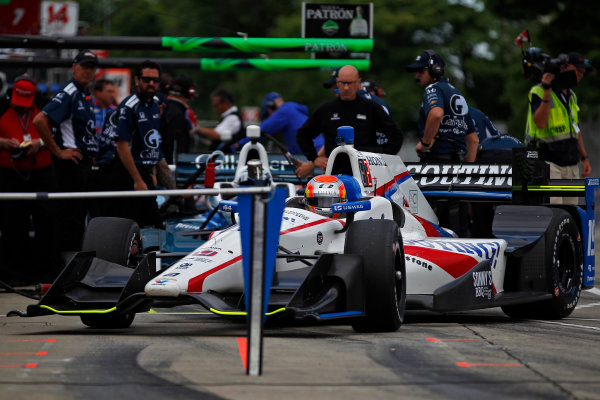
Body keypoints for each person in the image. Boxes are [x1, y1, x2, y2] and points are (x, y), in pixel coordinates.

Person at [33, 49, 99, 252]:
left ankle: (70, 267)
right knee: (69, 219)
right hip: (71, 165)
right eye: (84, 66)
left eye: (91, 67)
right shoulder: (70, 92)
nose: (88, 71)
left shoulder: (84, 94)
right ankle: (61, 269)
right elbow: (40, 120)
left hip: (83, 164)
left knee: (77, 218)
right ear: (74, 67)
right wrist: (59, 151)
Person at [296, 65, 403, 178]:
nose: (346, 87)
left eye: (350, 83)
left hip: (367, 175)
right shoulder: (326, 109)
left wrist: (381, 159)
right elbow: (303, 134)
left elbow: (396, 135)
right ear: (337, 82)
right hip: (335, 174)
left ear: (358, 82)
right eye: (343, 83)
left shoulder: (371, 108)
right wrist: (314, 158)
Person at [0, 75, 57, 284]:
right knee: (12, 225)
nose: (21, 108)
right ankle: (14, 275)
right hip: (9, 174)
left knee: (47, 224)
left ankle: (46, 273)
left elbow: (59, 134)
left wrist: (40, 142)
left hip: (42, 173)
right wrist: (3, 143)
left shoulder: (47, 108)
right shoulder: (2, 106)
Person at [525, 51, 592, 204]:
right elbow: (540, 123)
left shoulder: (571, 95)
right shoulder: (539, 90)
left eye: (583, 73)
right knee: (554, 213)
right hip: (549, 162)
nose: (580, 76)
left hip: (570, 163)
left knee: (571, 214)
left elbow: (575, 128)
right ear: (565, 67)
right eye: (578, 71)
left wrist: (584, 157)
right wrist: (547, 90)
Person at [108, 60, 164, 228]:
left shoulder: (155, 104)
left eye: (155, 80)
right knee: (137, 224)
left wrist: (152, 171)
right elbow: (121, 145)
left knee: (151, 224)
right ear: (137, 80)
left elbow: (153, 142)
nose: (151, 84)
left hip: (146, 171)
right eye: (147, 80)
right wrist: (137, 179)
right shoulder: (129, 106)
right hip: (129, 172)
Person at [406, 49, 479, 163]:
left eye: (420, 70)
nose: (417, 75)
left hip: (436, 162)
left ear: (435, 70)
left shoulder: (433, 88)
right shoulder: (457, 93)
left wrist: (425, 143)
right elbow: (473, 140)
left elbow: (436, 114)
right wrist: (467, 172)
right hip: (457, 163)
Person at [235, 92, 324, 154]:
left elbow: (261, 130)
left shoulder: (284, 112)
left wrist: (238, 143)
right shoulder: (292, 109)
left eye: (268, 112)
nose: (270, 115)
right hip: (318, 151)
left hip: (315, 154)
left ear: (271, 106)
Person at [163, 75, 198, 164]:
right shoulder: (179, 115)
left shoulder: (161, 107)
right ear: (190, 93)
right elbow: (177, 149)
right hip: (169, 168)